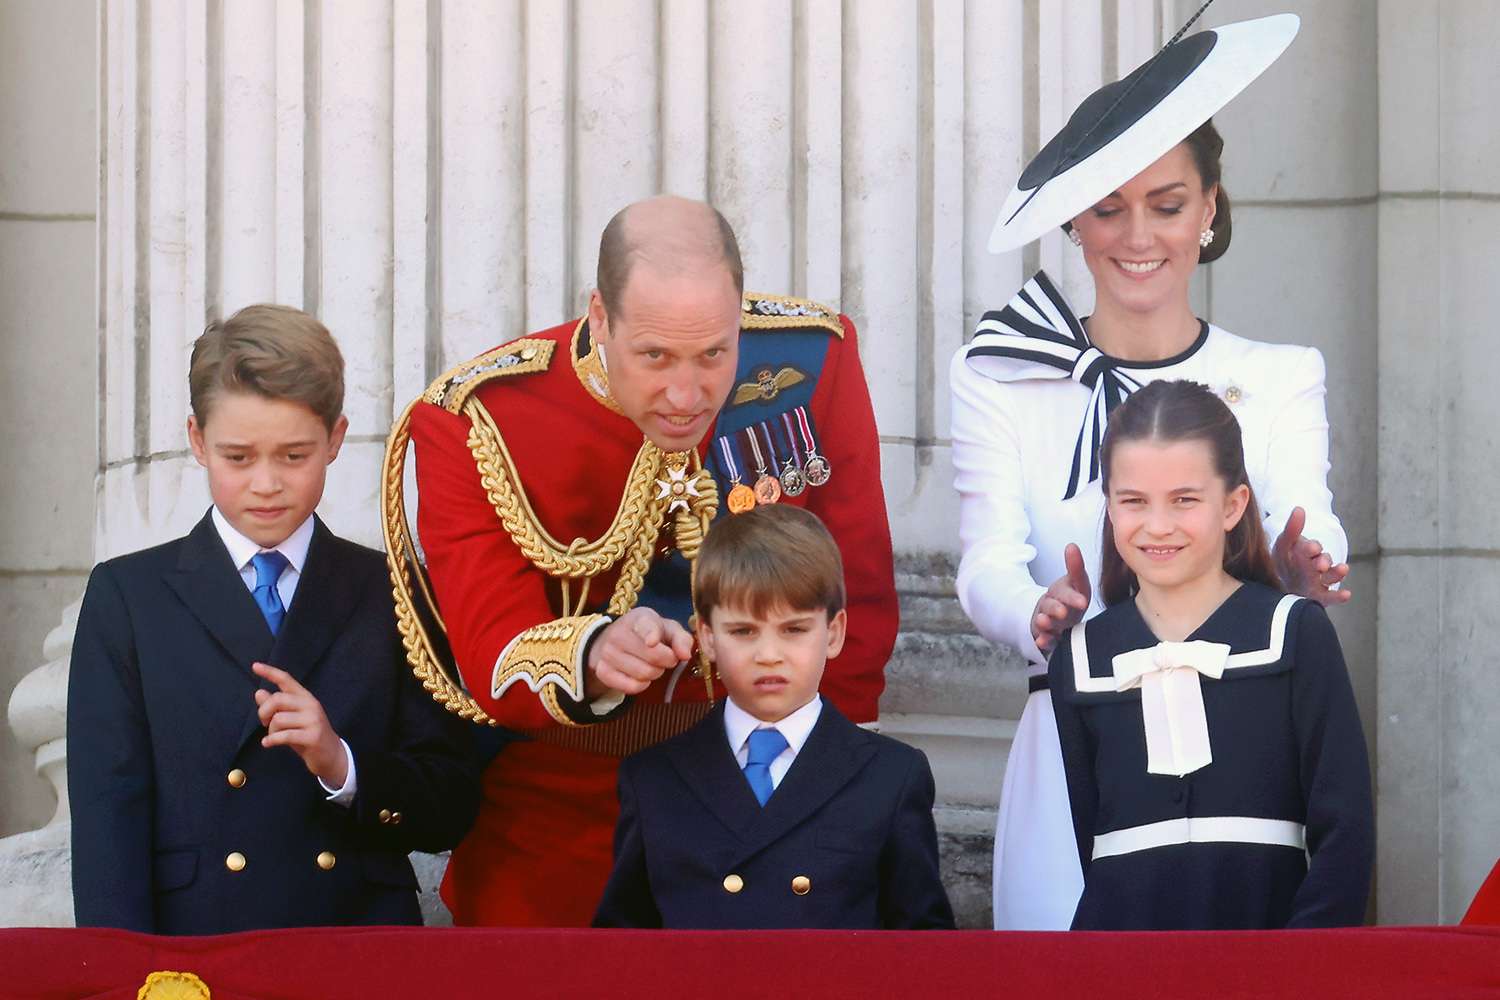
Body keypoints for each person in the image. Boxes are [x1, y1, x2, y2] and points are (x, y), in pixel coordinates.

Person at [948, 13, 1355, 929]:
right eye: (1107, 206)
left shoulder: (1282, 373)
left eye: (1167, 204)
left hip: (1248, 737)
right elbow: (984, 563)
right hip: (1073, 737)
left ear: (1209, 210)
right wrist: (1037, 614)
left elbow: (1309, 516)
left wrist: (1300, 567)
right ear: (1074, 222)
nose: (1139, 235)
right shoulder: (1002, 372)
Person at [389, 195, 898, 926]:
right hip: (567, 808)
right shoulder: (480, 415)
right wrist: (592, 654)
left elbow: (858, 596)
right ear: (600, 318)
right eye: (654, 356)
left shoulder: (811, 361)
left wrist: (833, 783)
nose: (688, 395)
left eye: (715, 354)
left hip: (764, 787)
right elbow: (489, 653)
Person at [68, 305, 479, 934]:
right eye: (238, 457)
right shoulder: (128, 596)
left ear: (335, 440)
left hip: (355, 949)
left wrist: (339, 762)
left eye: (293, 455)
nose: (266, 483)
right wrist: (123, 977)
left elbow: (450, 801)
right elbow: (107, 820)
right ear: (198, 441)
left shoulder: (394, 589)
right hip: (197, 950)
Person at [1049, 379, 1373, 928]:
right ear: (1109, 508)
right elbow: (1090, 840)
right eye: (1134, 501)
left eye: (1184, 500)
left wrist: (1300, 970)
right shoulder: (1079, 659)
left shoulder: (1294, 633)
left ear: (1232, 505)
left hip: (1270, 960)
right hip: (1121, 965)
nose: (1158, 525)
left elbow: (1346, 834)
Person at [592, 505, 953, 929]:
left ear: (833, 633)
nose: (768, 655)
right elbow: (622, 952)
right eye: (743, 631)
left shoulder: (891, 776)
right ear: (706, 637)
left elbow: (923, 953)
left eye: (794, 630)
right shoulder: (654, 778)